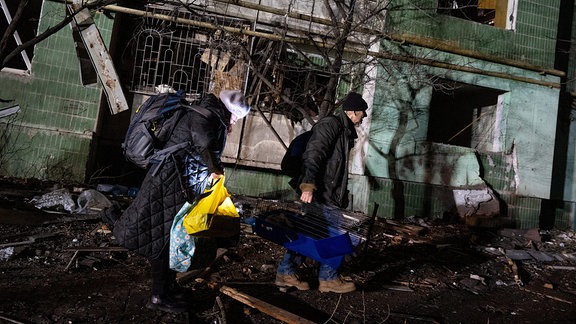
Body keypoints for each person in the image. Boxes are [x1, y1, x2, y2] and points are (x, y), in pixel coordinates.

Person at [112, 89, 250, 313]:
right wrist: (215, 168)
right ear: (228, 110)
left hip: (177, 184)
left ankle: (168, 287)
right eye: (235, 116)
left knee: (168, 238)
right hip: (169, 183)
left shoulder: (207, 113)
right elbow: (203, 142)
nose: (234, 121)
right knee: (160, 239)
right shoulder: (204, 116)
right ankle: (159, 296)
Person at [275, 91, 368, 294]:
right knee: (334, 235)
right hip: (321, 192)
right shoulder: (332, 124)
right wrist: (308, 184)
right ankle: (328, 278)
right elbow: (314, 153)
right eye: (362, 112)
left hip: (328, 192)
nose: (363, 117)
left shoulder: (342, 130)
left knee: (308, 232)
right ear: (351, 111)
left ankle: (286, 273)